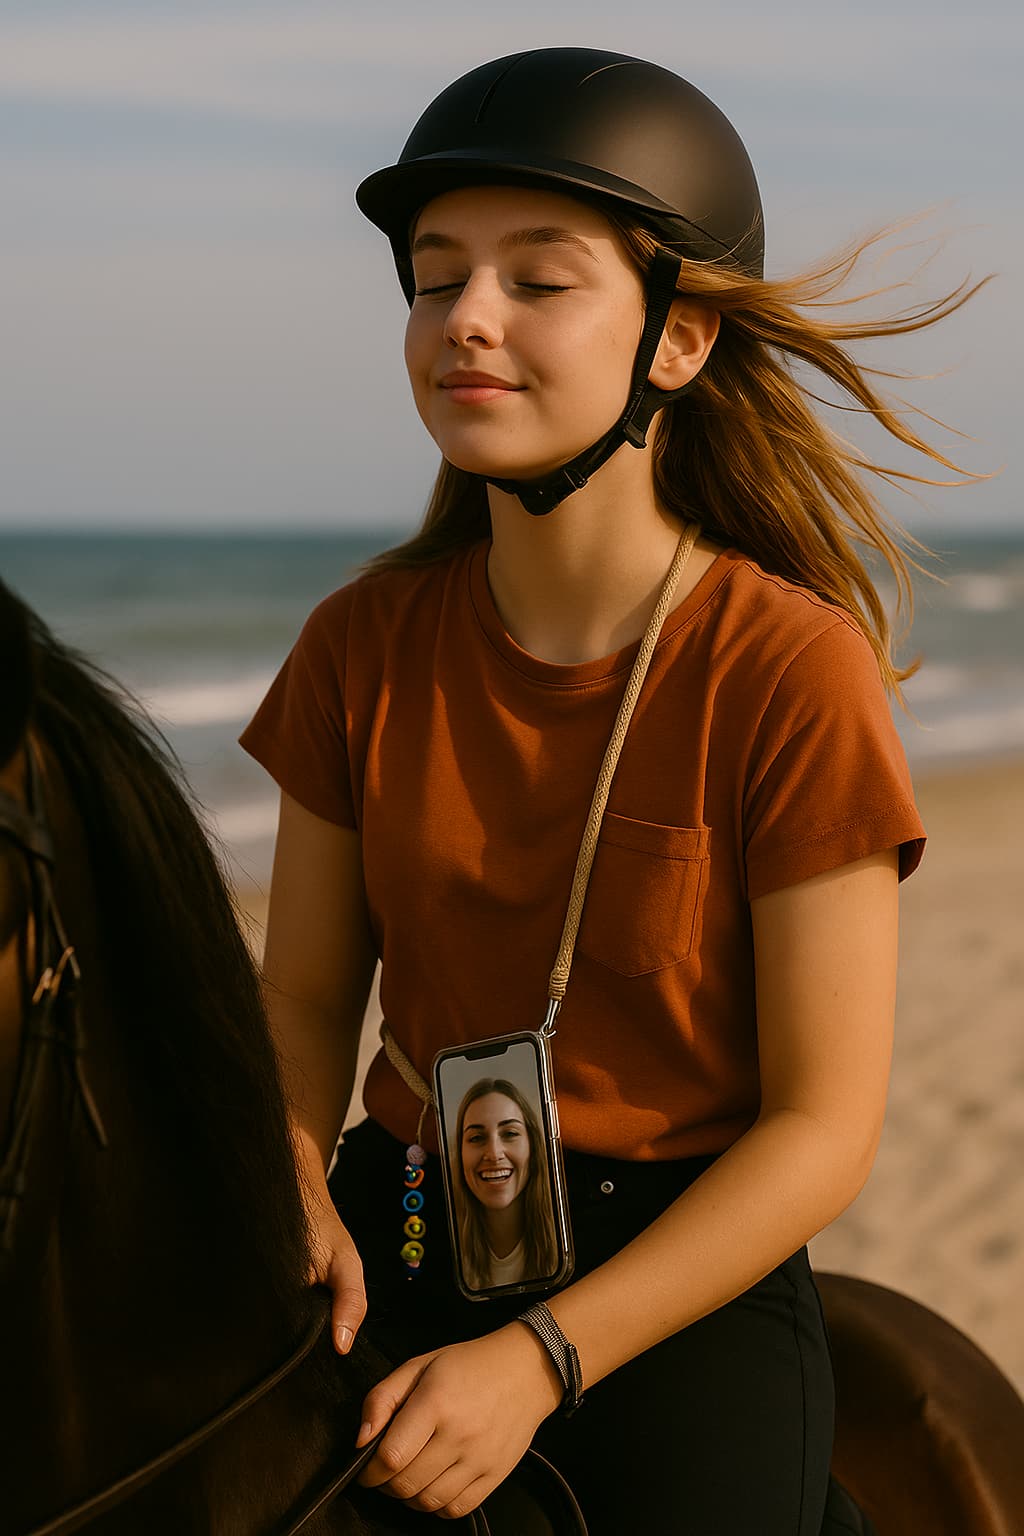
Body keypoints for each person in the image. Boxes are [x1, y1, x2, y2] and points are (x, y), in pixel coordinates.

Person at [240, 48, 982, 1534]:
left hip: (680, 1282)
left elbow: (823, 1129)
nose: (468, 321)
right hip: (391, 1215)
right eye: (436, 275)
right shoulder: (358, 644)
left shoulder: (786, 669)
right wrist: (298, 1196)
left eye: (539, 279)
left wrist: (535, 1361)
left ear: (680, 341)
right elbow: (310, 998)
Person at [451, 1077, 559, 1291]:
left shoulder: (561, 1247)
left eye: (510, 1134)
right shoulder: (448, 1251)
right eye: (476, 1138)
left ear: (533, 1146)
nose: (493, 1153)